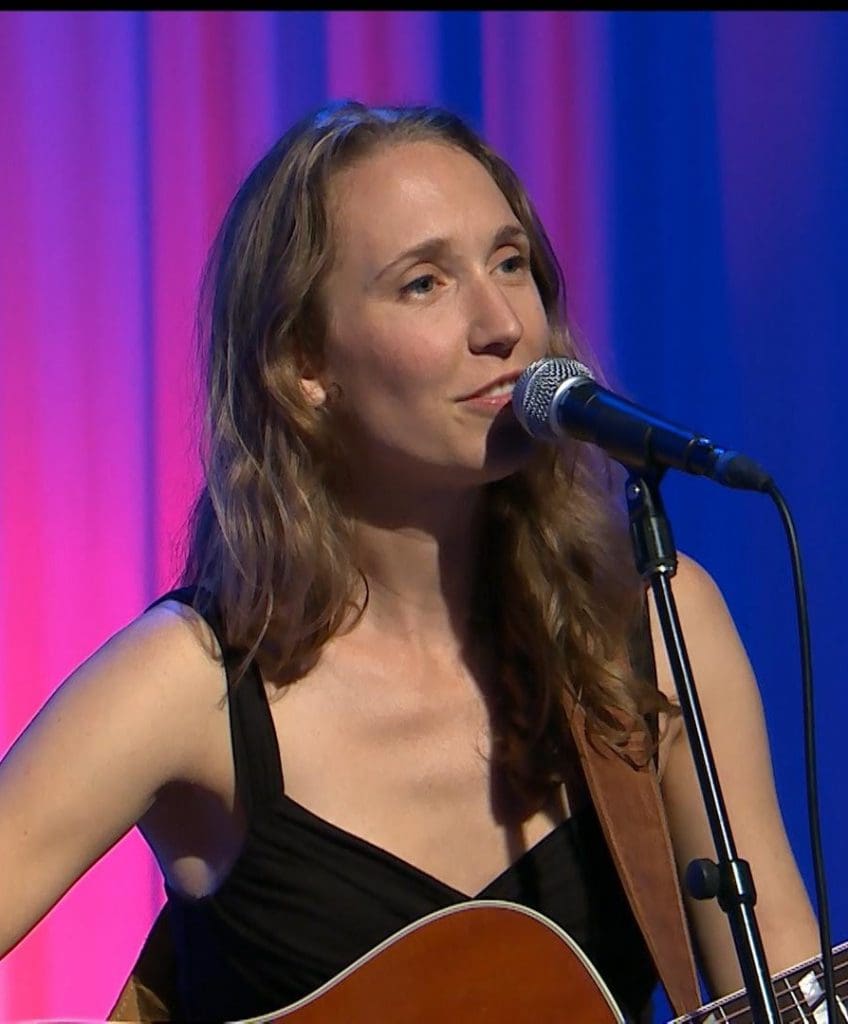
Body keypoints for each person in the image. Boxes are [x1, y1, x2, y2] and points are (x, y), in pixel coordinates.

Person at [0, 99, 821, 1022]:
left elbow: (784, 983)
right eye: (424, 282)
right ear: (303, 363)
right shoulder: (190, 683)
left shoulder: (650, 630)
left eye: (511, 263)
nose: (501, 322)